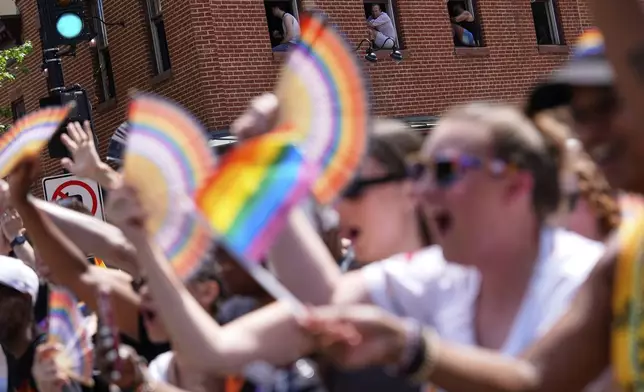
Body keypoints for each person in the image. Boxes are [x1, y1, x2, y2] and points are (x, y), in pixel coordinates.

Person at [299, 24, 644, 392]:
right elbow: (534, 380)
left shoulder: (580, 266)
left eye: (609, 105)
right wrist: (406, 346)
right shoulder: (624, 255)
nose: (591, 133)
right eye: (581, 116)